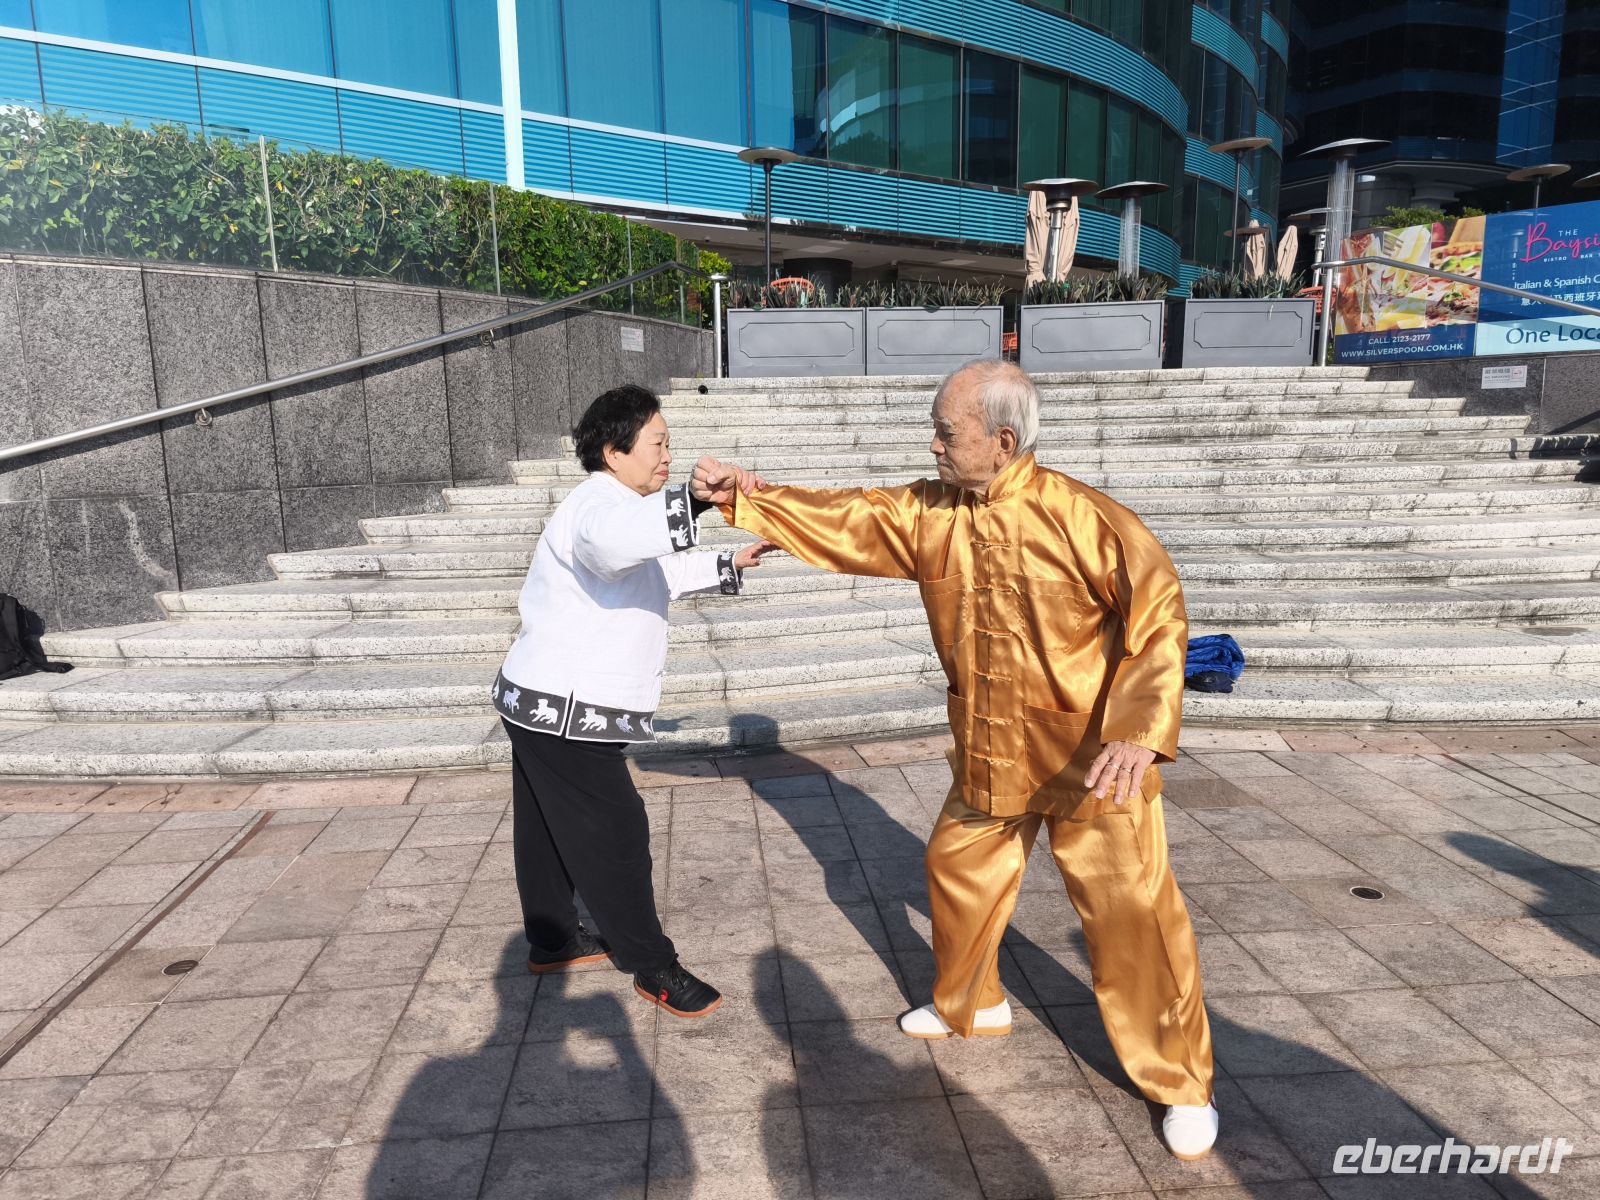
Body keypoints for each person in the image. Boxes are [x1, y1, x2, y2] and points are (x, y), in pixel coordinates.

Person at [691, 360, 1218, 1159]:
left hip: (1093, 759)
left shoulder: (1088, 519)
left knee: (1133, 916)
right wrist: (746, 496)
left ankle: (1182, 1081)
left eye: (947, 430)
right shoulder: (930, 512)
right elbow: (852, 518)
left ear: (1001, 442)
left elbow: (1160, 616)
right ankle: (972, 1003)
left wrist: (1137, 731)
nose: (933, 444)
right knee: (956, 869)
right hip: (992, 742)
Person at [493, 383, 775, 1018]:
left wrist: (729, 562)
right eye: (658, 443)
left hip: (537, 703)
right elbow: (614, 545)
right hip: (564, 712)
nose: (667, 456)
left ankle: (554, 941)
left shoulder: (617, 505)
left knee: (543, 829)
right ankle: (652, 965)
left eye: (669, 444)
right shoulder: (598, 505)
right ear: (613, 452)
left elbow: (653, 571)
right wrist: (697, 504)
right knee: (618, 832)